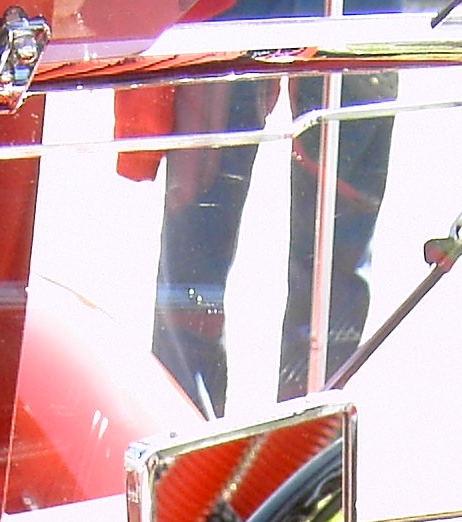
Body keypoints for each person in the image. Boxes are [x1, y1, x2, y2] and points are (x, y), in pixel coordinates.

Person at [121, 70, 401, 415]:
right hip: (228, 38)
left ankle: (309, 431)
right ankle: (184, 427)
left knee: (336, 258)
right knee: (193, 263)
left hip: (348, 45)